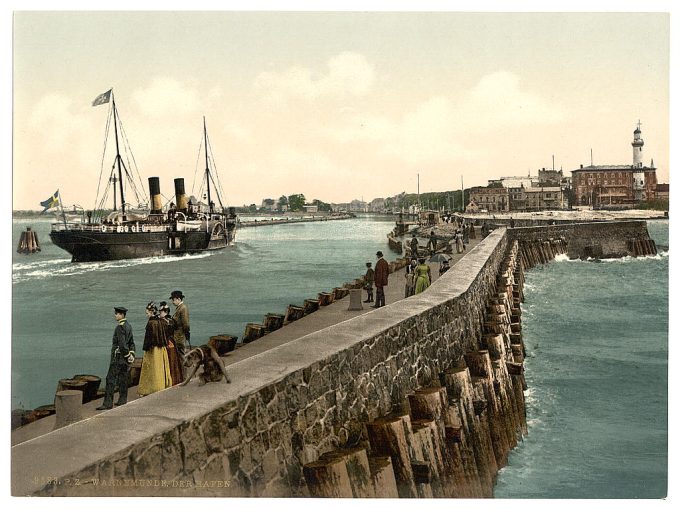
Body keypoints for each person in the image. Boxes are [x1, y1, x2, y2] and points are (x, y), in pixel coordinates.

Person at [97, 306, 135, 410]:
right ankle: (122, 400)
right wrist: (131, 355)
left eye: (117, 314)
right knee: (123, 378)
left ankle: (108, 403)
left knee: (110, 379)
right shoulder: (128, 326)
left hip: (118, 357)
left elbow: (122, 345)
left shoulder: (120, 327)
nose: (115, 315)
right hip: (125, 359)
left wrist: (126, 355)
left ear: (122, 315)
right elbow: (131, 343)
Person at [138, 302, 173, 396]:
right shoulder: (160, 321)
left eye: (147, 313)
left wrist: (145, 348)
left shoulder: (150, 323)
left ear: (151, 312)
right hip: (161, 349)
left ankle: (151, 388)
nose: (147, 315)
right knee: (161, 368)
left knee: (152, 369)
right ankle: (162, 385)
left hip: (153, 350)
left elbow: (148, 339)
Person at [159, 301, 183, 385]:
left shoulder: (162, 322)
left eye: (161, 312)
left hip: (166, 342)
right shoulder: (171, 320)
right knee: (173, 361)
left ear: (165, 312)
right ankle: (176, 379)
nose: (159, 313)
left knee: (168, 360)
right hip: (172, 341)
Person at [170, 290, 190, 372]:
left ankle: (184, 376)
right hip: (178, 335)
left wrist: (187, 333)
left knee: (182, 356)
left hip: (180, 336)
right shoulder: (180, 308)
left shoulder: (183, 308)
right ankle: (183, 375)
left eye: (173, 300)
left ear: (178, 299)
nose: (172, 302)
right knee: (181, 356)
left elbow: (185, 323)